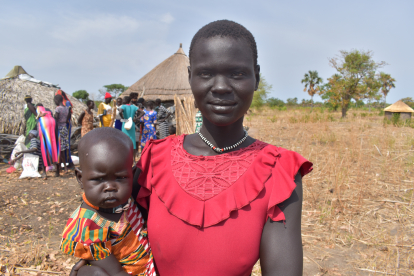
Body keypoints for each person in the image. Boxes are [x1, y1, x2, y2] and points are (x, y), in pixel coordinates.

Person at [71, 19, 313, 276]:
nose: (220, 87)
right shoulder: (156, 159)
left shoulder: (278, 171)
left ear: (256, 78)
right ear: (190, 77)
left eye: (237, 74)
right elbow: (108, 229)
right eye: (206, 74)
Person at [61, 127, 156, 276]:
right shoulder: (88, 226)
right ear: (80, 178)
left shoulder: (127, 200)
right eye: (98, 179)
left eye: (120, 178)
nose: (110, 187)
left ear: (131, 175)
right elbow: (116, 273)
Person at [36, 104, 59, 176]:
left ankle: (44, 173)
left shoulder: (40, 117)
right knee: (55, 150)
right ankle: (57, 172)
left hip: (45, 132)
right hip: (53, 129)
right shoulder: (50, 115)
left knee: (44, 150)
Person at [55, 90, 75, 169]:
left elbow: (69, 114)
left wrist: (66, 121)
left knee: (66, 145)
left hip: (66, 125)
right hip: (64, 125)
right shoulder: (63, 105)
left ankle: (70, 162)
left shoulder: (66, 103)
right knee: (63, 145)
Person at [54, 94, 71, 175]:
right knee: (64, 149)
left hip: (59, 129)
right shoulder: (66, 109)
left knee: (59, 149)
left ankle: (60, 167)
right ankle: (65, 167)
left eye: (55, 100)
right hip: (65, 129)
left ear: (57, 100)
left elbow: (56, 118)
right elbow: (67, 118)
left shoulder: (58, 108)